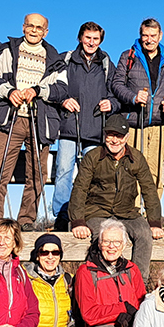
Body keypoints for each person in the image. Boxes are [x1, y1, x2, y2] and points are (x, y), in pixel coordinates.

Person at [0, 12, 69, 230]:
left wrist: (38, 90)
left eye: (39, 27)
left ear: (45, 31)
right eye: (30, 26)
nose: (33, 30)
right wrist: (9, 91)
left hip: (39, 121)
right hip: (11, 118)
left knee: (36, 174)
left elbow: (61, 89)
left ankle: (26, 220)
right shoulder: (6, 51)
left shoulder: (54, 57)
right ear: (23, 27)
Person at [69, 114, 164, 280]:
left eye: (119, 136)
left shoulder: (136, 158)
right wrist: (78, 221)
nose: (114, 140)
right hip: (97, 211)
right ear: (104, 135)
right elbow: (79, 188)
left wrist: (154, 222)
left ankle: (137, 282)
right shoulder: (93, 157)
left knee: (144, 234)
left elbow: (149, 189)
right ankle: (99, 281)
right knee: (102, 237)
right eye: (110, 135)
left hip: (127, 212)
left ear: (126, 137)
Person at [53, 22, 119, 230]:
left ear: (100, 41)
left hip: (95, 128)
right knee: (63, 170)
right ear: (80, 38)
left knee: (92, 175)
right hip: (69, 126)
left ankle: (89, 214)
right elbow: (54, 87)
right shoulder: (66, 59)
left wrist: (112, 104)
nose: (91, 42)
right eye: (88, 38)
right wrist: (63, 100)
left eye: (95, 39)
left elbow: (115, 92)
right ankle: (62, 216)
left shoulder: (106, 63)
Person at [110, 17, 164, 194]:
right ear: (140, 35)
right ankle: (132, 215)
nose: (149, 39)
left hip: (159, 124)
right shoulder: (128, 57)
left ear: (160, 36)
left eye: (153, 35)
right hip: (133, 122)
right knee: (130, 170)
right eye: (145, 35)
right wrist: (133, 97)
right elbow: (117, 84)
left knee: (155, 172)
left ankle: (152, 217)